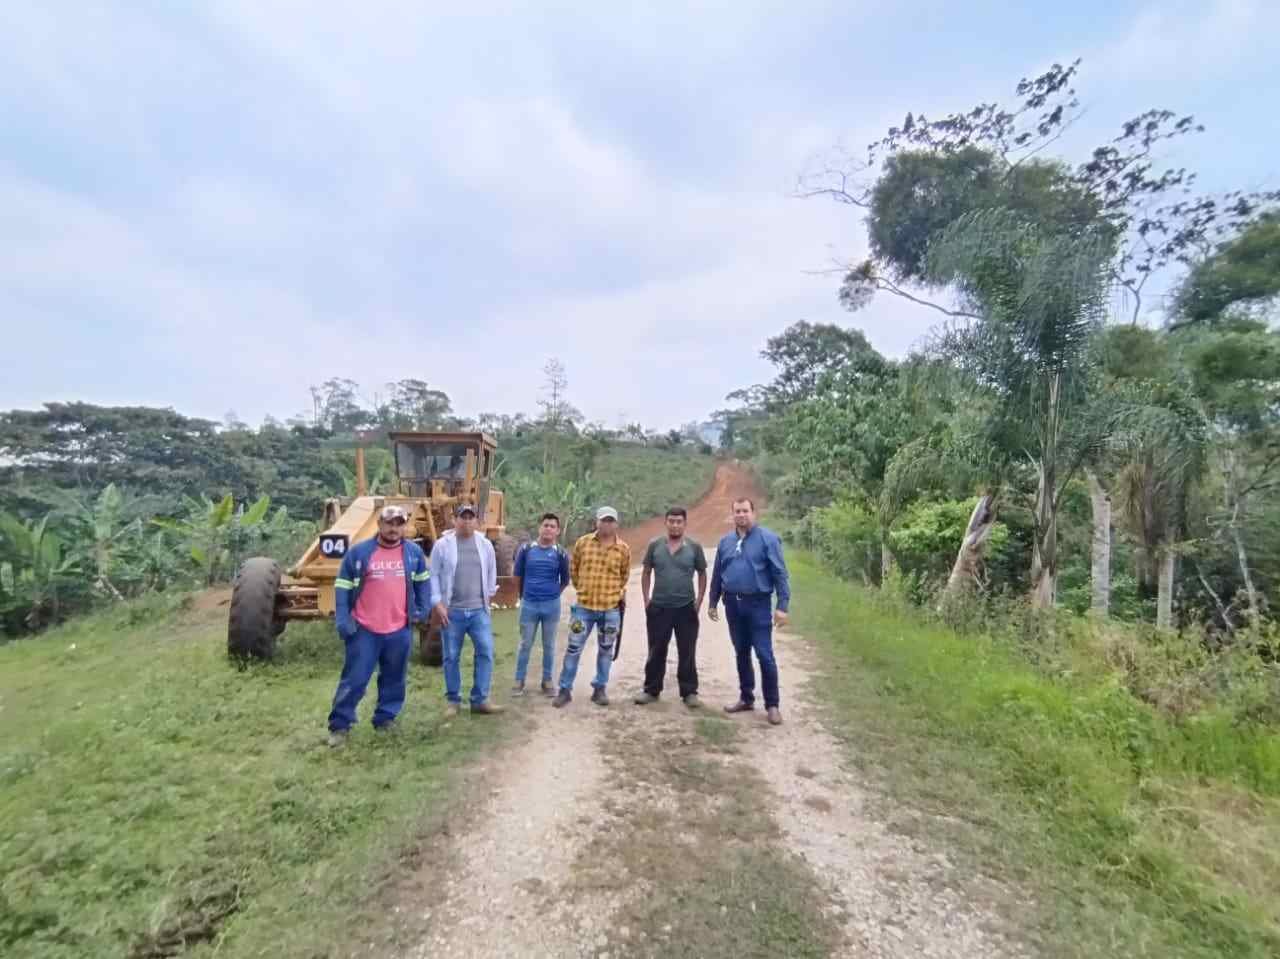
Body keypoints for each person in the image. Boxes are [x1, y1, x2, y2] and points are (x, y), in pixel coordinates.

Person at [328, 504, 432, 747]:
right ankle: (340, 726)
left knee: (394, 678)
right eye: (389, 523)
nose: (394, 528)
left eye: (399, 523)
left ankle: (385, 718)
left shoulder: (413, 553)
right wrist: (343, 617)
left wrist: (422, 609)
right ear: (379, 524)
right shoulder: (359, 553)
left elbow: (423, 583)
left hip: (398, 630)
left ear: (404, 526)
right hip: (365, 630)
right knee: (355, 679)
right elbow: (342, 586)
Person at [708, 498, 791, 726]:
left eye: (745, 511)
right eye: (737, 511)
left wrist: (782, 606)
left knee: (764, 654)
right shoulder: (726, 542)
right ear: (732, 514)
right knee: (741, 652)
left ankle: (772, 705)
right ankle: (746, 698)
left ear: (754, 513)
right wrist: (713, 601)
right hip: (733, 605)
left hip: (758, 605)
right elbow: (718, 573)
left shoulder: (768, 540)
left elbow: (780, 574)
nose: (741, 515)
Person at [430, 504, 503, 716]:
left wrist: (489, 593)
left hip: (479, 610)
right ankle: (453, 700)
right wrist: (437, 603)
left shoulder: (485, 544)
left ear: (477, 521)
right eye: (463, 517)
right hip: (452, 611)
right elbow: (433, 574)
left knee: (486, 652)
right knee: (451, 656)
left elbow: (491, 570)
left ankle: (480, 700)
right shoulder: (442, 545)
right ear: (455, 520)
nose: (467, 521)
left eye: (471, 518)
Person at [553, 506, 631, 708]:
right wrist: (584, 590)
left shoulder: (623, 549)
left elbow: (624, 577)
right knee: (573, 648)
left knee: (606, 649)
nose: (607, 524)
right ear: (596, 522)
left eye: (611, 521)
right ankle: (564, 689)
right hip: (583, 609)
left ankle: (599, 688)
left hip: (610, 610)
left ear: (616, 524)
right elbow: (574, 570)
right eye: (603, 520)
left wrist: (614, 595)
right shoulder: (583, 543)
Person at [635, 507, 707, 708]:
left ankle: (689, 692)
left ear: (684, 524)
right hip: (658, 607)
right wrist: (646, 599)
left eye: (679, 521)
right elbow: (646, 572)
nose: (675, 525)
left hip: (686, 608)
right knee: (656, 650)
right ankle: (651, 690)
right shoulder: (655, 545)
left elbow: (702, 574)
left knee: (687, 650)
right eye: (671, 521)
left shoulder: (694, 547)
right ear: (665, 523)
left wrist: (699, 601)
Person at [511, 513, 571, 696]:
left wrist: (553, 595)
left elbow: (565, 580)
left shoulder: (561, 553)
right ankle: (519, 681)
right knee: (525, 644)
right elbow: (517, 576)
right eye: (546, 525)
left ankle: (547, 681)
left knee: (549, 645)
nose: (548, 529)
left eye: (552, 526)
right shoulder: (526, 549)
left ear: (558, 531)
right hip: (529, 604)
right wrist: (524, 596)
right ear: (539, 528)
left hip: (551, 606)